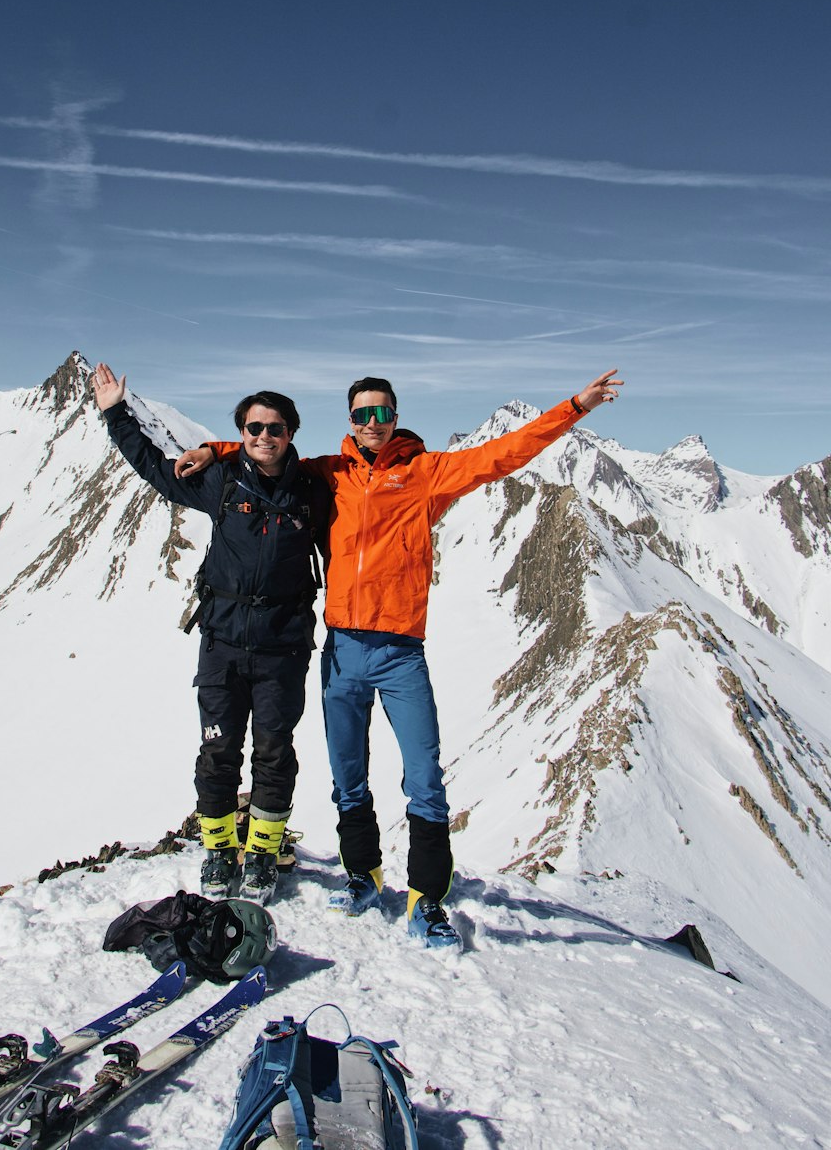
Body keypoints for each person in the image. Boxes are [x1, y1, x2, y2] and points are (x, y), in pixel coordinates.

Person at [176, 368, 623, 949]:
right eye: (361, 415)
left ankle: (427, 899)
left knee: (425, 780)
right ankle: (363, 877)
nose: (372, 424)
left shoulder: (426, 473)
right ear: (350, 421)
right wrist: (215, 449)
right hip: (341, 650)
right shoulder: (326, 474)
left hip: (400, 652)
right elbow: (268, 453)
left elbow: (504, 454)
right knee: (348, 780)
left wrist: (574, 407)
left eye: (381, 413)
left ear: (395, 415)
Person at [92, 362, 330, 905]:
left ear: (291, 433)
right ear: (242, 434)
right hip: (222, 644)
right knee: (217, 754)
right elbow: (154, 467)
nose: (264, 436)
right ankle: (220, 852)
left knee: (274, 753)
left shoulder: (315, 490)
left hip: (283, 647)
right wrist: (116, 414)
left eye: (275, 428)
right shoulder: (222, 481)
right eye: (254, 428)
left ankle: (263, 855)